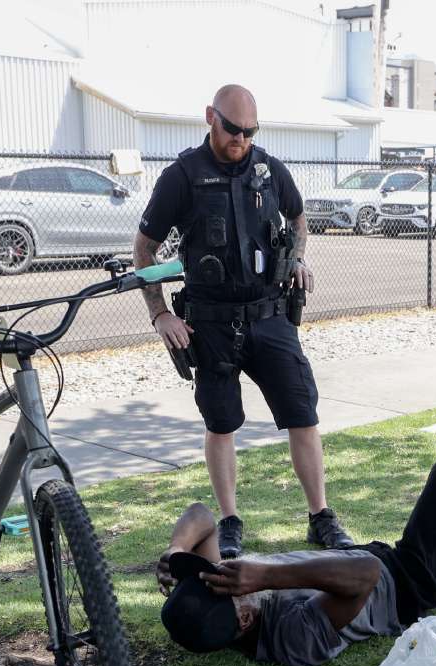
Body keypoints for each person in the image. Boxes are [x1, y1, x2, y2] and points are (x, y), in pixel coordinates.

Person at [133, 84, 351, 558]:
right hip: (209, 323)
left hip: (271, 315)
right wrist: (160, 314)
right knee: (222, 423)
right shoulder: (181, 176)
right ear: (211, 116)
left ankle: (321, 517)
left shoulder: (268, 169)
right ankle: (229, 520)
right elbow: (144, 247)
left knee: (303, 415)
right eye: (234, 129)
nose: (242, 140)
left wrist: (295, 259)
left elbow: (297, 220)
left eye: (251, 131)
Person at [156, 451, 436, 666]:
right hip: (405, 585)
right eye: (232, 586)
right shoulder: (292, 638)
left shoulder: (216, 605)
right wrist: (264, 576)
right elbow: (366, 574)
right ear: (243, 619)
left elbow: (201, 516)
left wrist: (176, 550)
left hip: (375, 557)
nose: (224, 573)